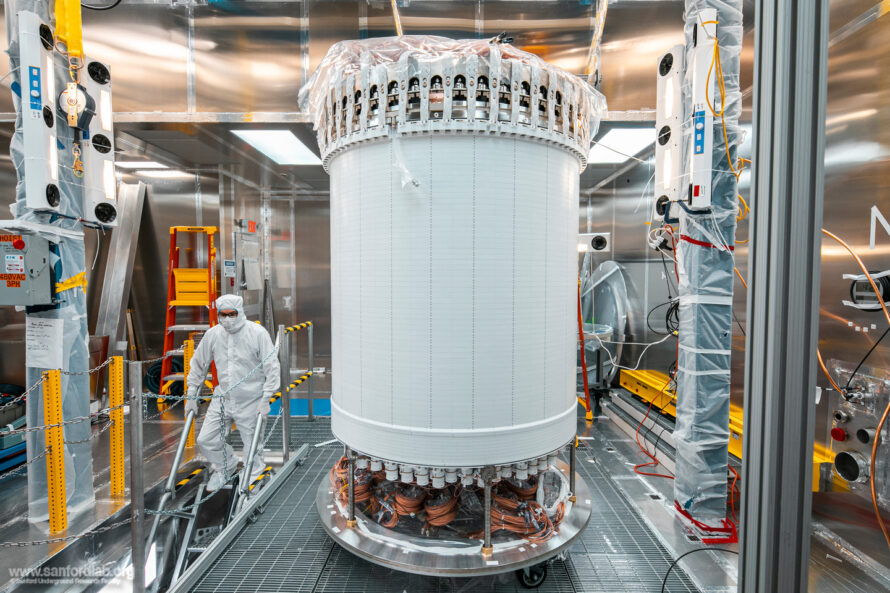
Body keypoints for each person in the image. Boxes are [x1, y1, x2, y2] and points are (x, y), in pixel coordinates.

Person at [185, 294, 280, 491]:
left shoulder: (257, 333)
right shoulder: (214, 334)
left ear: (240, 312)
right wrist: (192, 393)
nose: (228, 318)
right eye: (223, 314)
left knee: (252, 448)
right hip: (223, 398)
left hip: (251, 399)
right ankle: (225, 467)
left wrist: (266, 397)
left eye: (232, 314)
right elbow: (198, 363)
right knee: (206, 439)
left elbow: (272, 366)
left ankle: (251, 488)